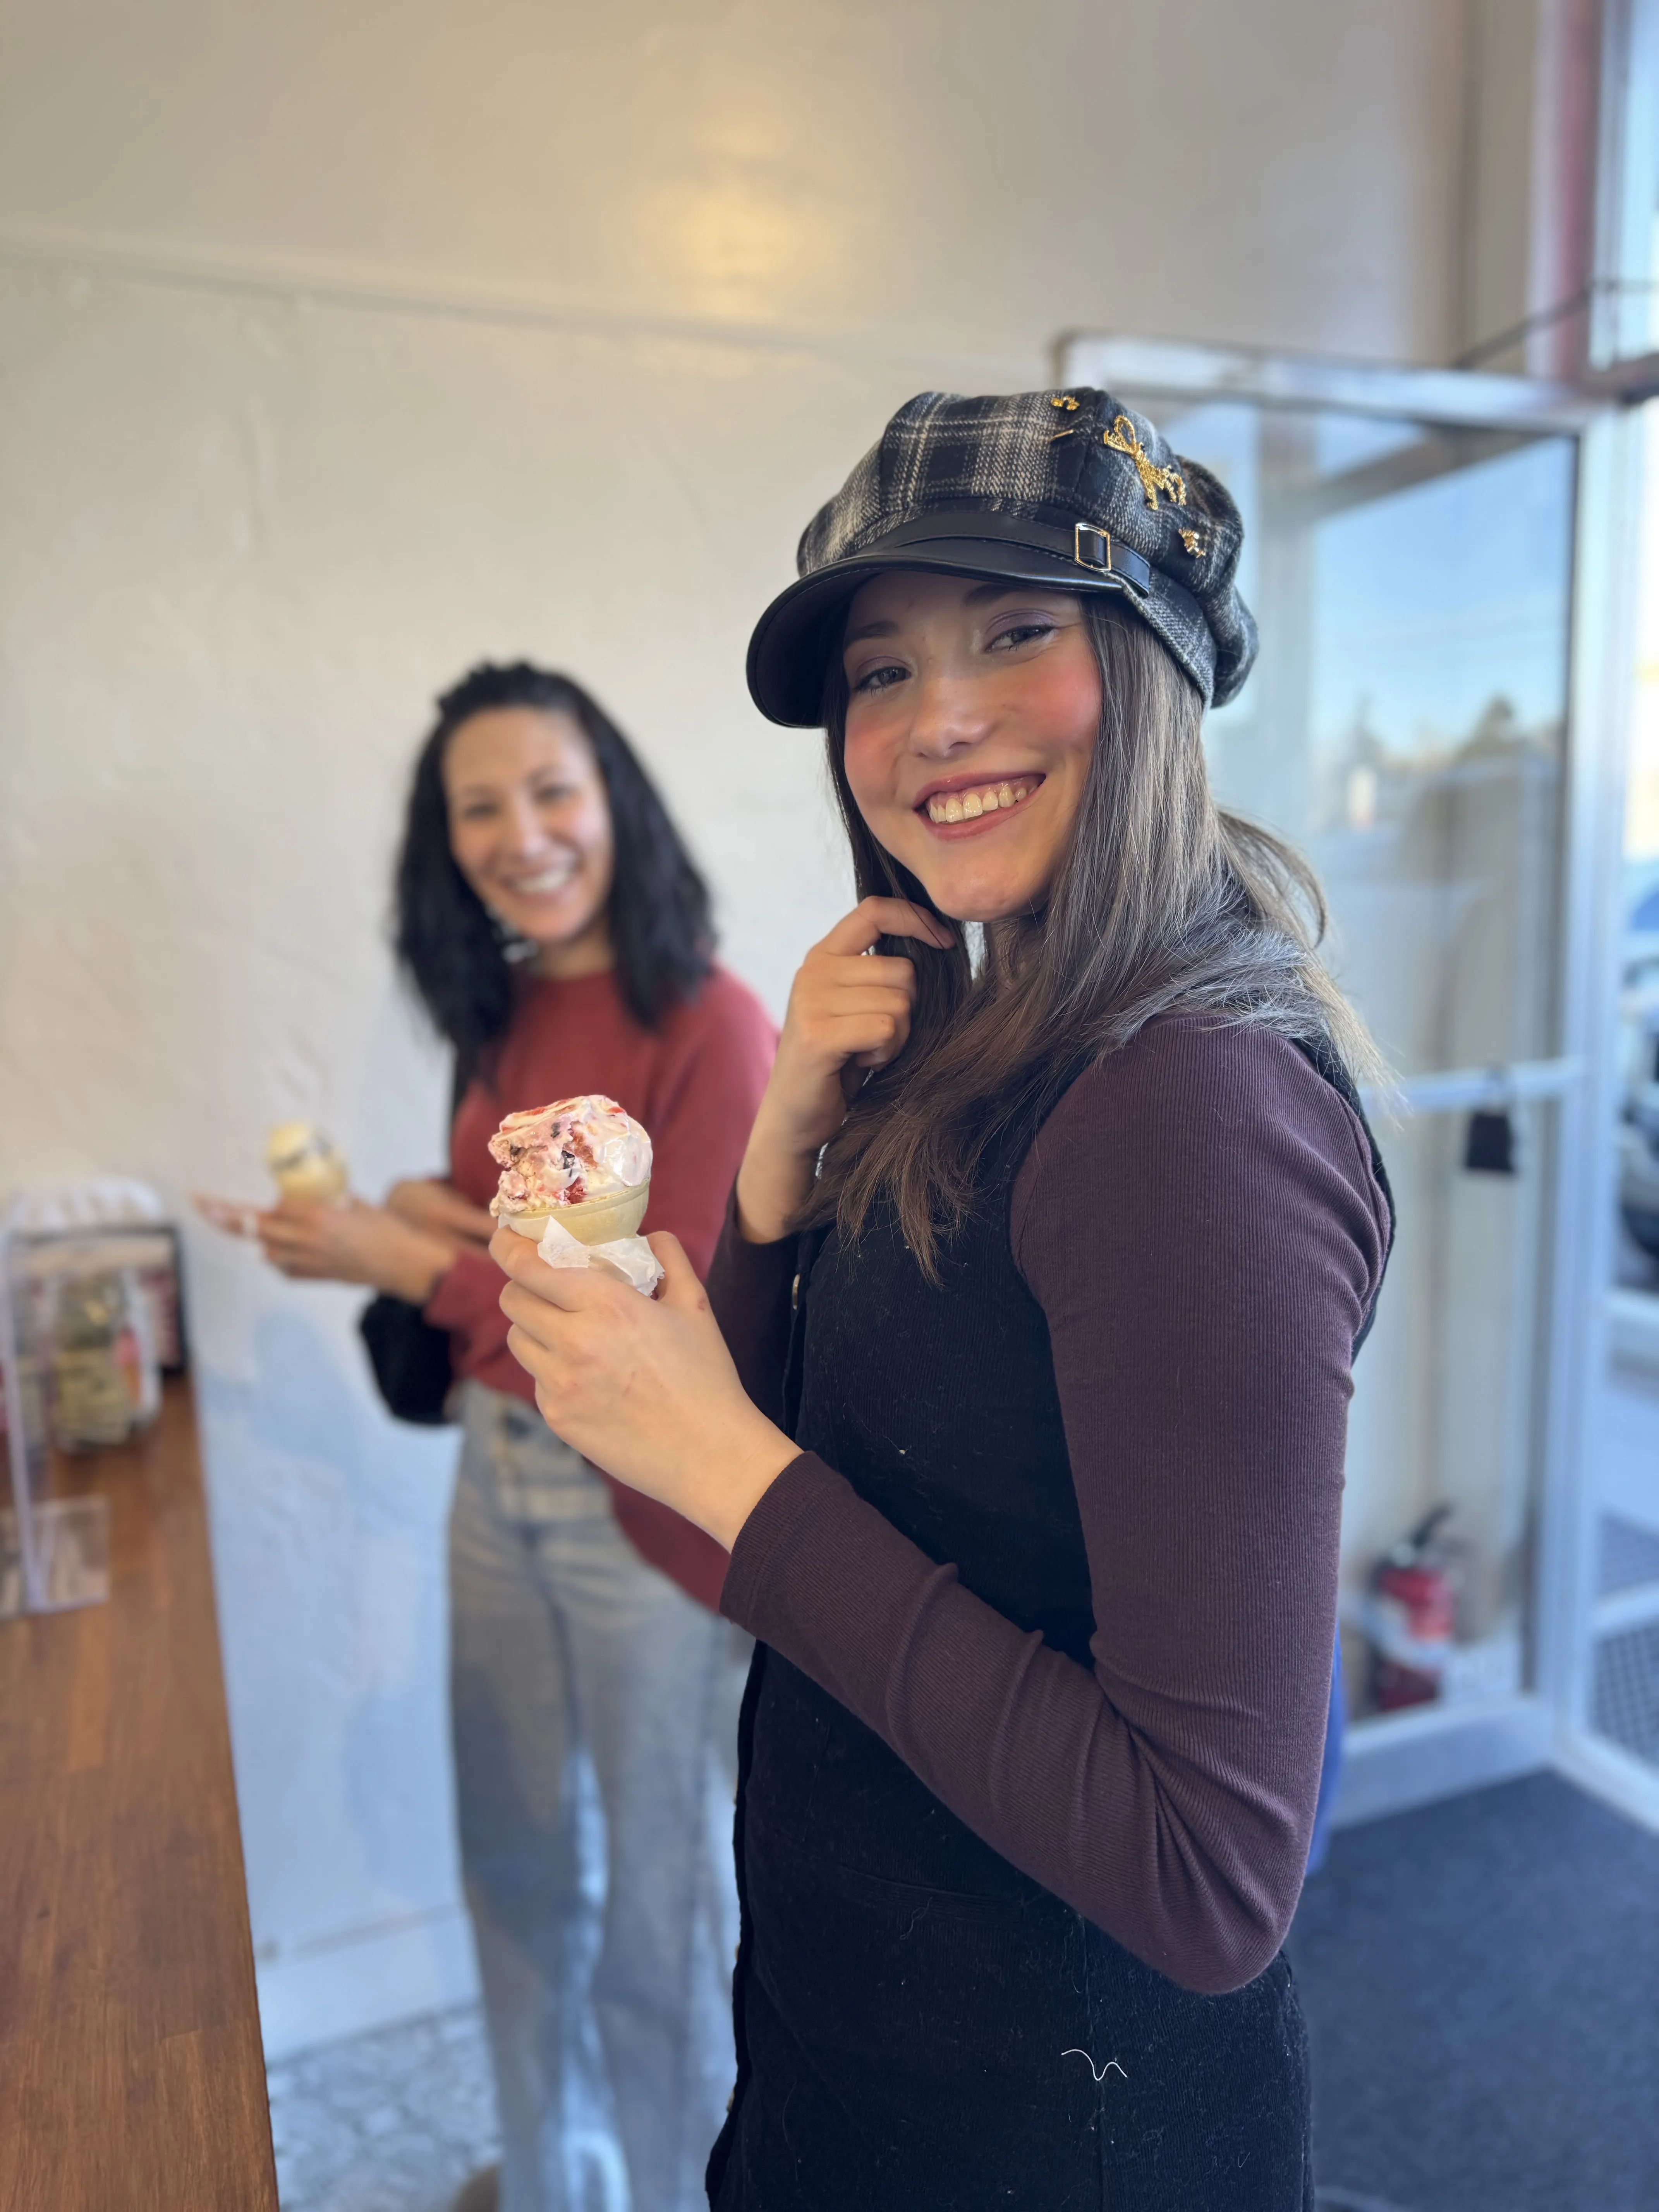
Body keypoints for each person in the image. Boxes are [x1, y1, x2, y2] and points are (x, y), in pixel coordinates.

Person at [488, 391, 1395, 2210]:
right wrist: (777, 1162)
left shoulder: (1189, 1109)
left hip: (1057, 2135)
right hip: (856, 2052)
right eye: (880, 674)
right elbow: (765, 1496)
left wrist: (735, 1471)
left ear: (1147, 669)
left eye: (1014, 632)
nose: (935, 722)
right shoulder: (979, 1035)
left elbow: (1211, 1876)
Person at [252, 663, 775, 2212]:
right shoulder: (501, 1013)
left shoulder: (716, 1026)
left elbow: (651, 1329)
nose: (522, 835)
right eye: (480, 808)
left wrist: (407, 1261)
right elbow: (546, 1247)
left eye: (551, 791)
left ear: (613, 798)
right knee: (517, 1875)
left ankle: (683, 2191)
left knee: (659, 1921)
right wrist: (420, 1216)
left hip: (648, 1521)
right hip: (498, 1475)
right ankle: (558, 2184)